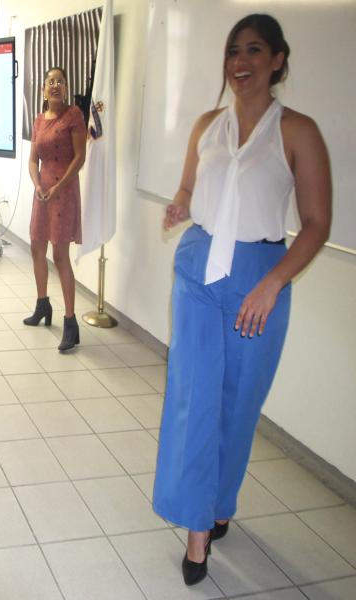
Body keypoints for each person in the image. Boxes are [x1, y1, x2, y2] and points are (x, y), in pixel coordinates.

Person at [153, 14, 331, 586]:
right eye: (233, 51)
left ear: (278, 59)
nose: (239, 62)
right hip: (199, 270)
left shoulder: (298, 130)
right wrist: (180, 206)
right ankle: (197, 532)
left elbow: (316, 223)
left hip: (261, 274)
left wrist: (273, 282)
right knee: (194, 397)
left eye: (253, 50)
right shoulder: (208, 124)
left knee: (238, 404)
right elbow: (187, 186)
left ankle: (219, 501)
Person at [23, 67, 86, 352]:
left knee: (60, 256)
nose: (55, 86)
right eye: (51, 82)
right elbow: (33, 160)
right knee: (37, 248)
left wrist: (57, 188)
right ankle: (42, 304)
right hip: (43, 193)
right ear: (43, 90)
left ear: (66, 86)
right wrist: (37, 185)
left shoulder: (73, 116)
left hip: (64, 191)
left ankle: (70, 323)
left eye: (60, 81)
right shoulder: (38, 119)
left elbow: (80, 157)